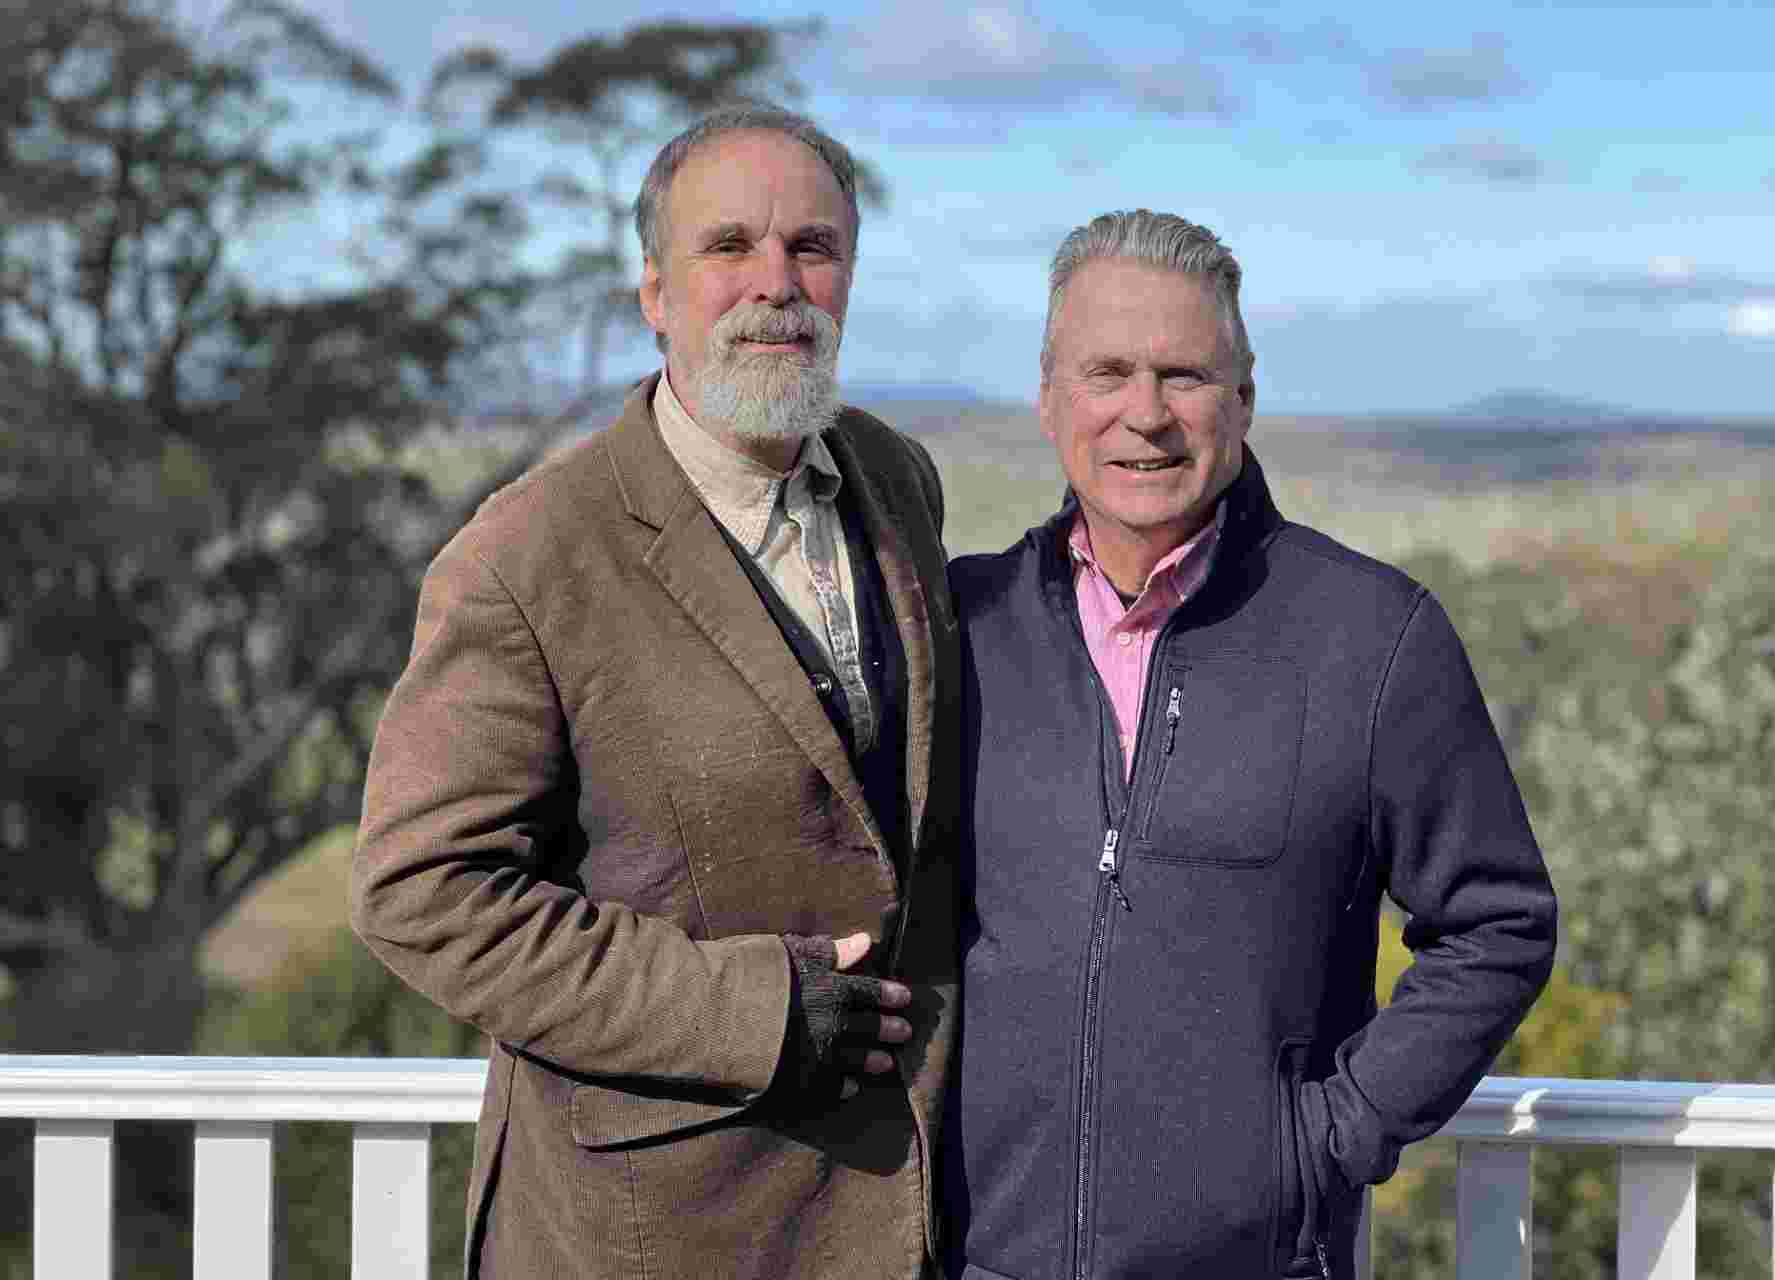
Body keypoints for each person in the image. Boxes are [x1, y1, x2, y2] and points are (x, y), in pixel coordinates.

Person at [351, 106, 960, 1280]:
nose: (775, 284)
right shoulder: (527, 555)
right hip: (648, 1233)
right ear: (654, 292)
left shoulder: (896, 477)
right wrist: (750, 1013)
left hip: (903, 1222)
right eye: (728, 245)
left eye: (814, 247)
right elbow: (420, 890)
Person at [941, 210, 1557, 1280]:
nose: (1145, 414)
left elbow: (1498, 922)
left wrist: (1328, 1142)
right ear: (1049, 398)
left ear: (1244, 397)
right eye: (1107, 373)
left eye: (1183, 374)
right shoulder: (962, 625)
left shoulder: (1372, 635)